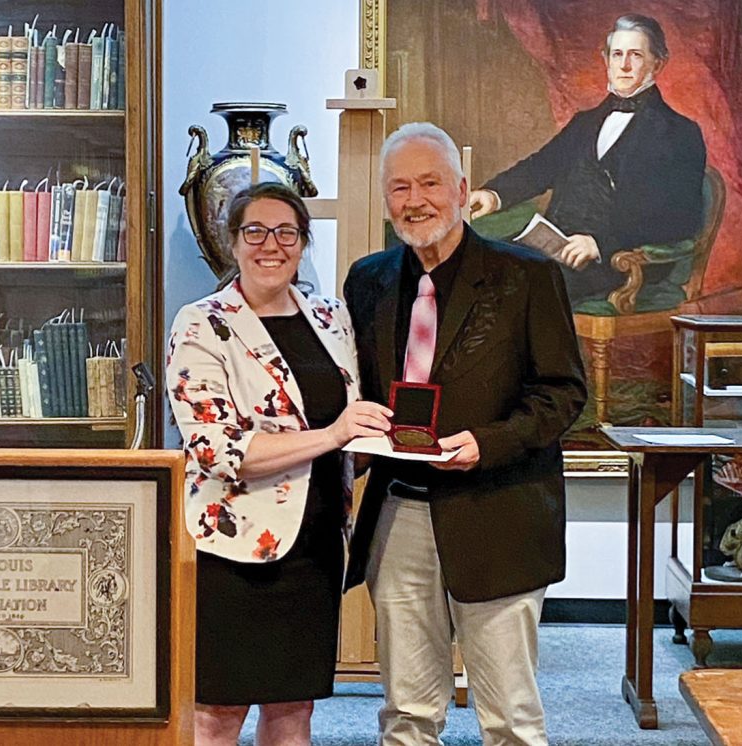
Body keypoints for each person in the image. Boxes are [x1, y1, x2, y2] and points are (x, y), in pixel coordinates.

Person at [343, 122, 588, 745]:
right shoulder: (365, 280)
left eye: (429, 182)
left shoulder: (528, 277)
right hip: (398, 517)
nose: (415, 199)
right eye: (400, 186)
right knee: (406, 714)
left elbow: (564, 395)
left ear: (461, 189)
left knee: (509, 719)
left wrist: (488, 442)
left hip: (498, 512)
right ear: (385, 197)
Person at [166, 182, 392, 745]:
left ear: (302, 242)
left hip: (314, 545)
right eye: (256, 231)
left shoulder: (329, 315)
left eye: (287, 232)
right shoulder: (201, 324)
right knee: (217, 716)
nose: (272, 245)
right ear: (233, 242)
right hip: (233, 550)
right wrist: (334, 434)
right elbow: (218, 451)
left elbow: (350, 429)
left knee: (294, 712)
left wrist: (391, 438)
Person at [469, 13, 706, 306]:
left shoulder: (679, 133)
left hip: (620, 262)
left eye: (635, 55)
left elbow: (680, 217)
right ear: (606, 60)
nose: (625, 65)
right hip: (557, 246)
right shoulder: (585, 123)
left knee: (521, 284)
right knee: (476, 266)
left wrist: (600, 244)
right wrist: (494, 195)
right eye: (617, 54)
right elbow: (540, 167)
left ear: (658, 63)